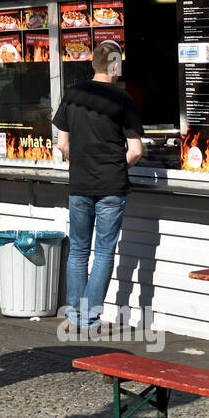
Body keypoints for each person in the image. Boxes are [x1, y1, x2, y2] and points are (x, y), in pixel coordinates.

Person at [52, 41, 143, 332]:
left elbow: (62, 143)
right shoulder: (122, 99)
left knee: (78, 250)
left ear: (93, 65)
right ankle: (88, 319)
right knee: (104, 251)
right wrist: (117, 166)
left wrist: (83, 163)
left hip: (79, 183)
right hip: (111, 185)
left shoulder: (73, 95)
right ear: (115, 65)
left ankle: (73, 316)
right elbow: (136, 150)